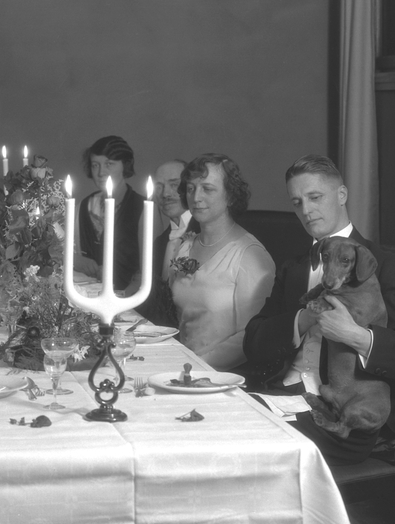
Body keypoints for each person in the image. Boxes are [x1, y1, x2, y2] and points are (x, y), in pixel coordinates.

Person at [243, 154, 395, 465]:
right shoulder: (293, 267)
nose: (306, 210)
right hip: (284, 395)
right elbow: (254, 342)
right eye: (297, 202)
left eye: (315, 197)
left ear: (342, 195)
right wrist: (304, 319)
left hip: (346, 415)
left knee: (246, 433)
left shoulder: (385, 265)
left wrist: (355, 335)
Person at [169, 154, 275, 370]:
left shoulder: (249, 256)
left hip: (224, 374)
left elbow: (251, 336)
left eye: (207, 189)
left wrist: (196, 367)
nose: (196, 197)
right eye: (191, 188)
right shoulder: (186, 247)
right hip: (181, 365)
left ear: (230, 196)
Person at [75, 135, 144, 292]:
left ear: (125, 165)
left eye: (109, 164)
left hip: (129, 297)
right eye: (95, 165)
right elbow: (64, 251)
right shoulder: (83, 206)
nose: (101, 173)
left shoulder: (143, 207)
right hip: (87, 295)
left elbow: (150, 269)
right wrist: (74, 259)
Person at [136, 159, 189, 327]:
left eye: (174, 185)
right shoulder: (159, 243)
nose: (165, 194)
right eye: (159, 186)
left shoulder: (208, 234)